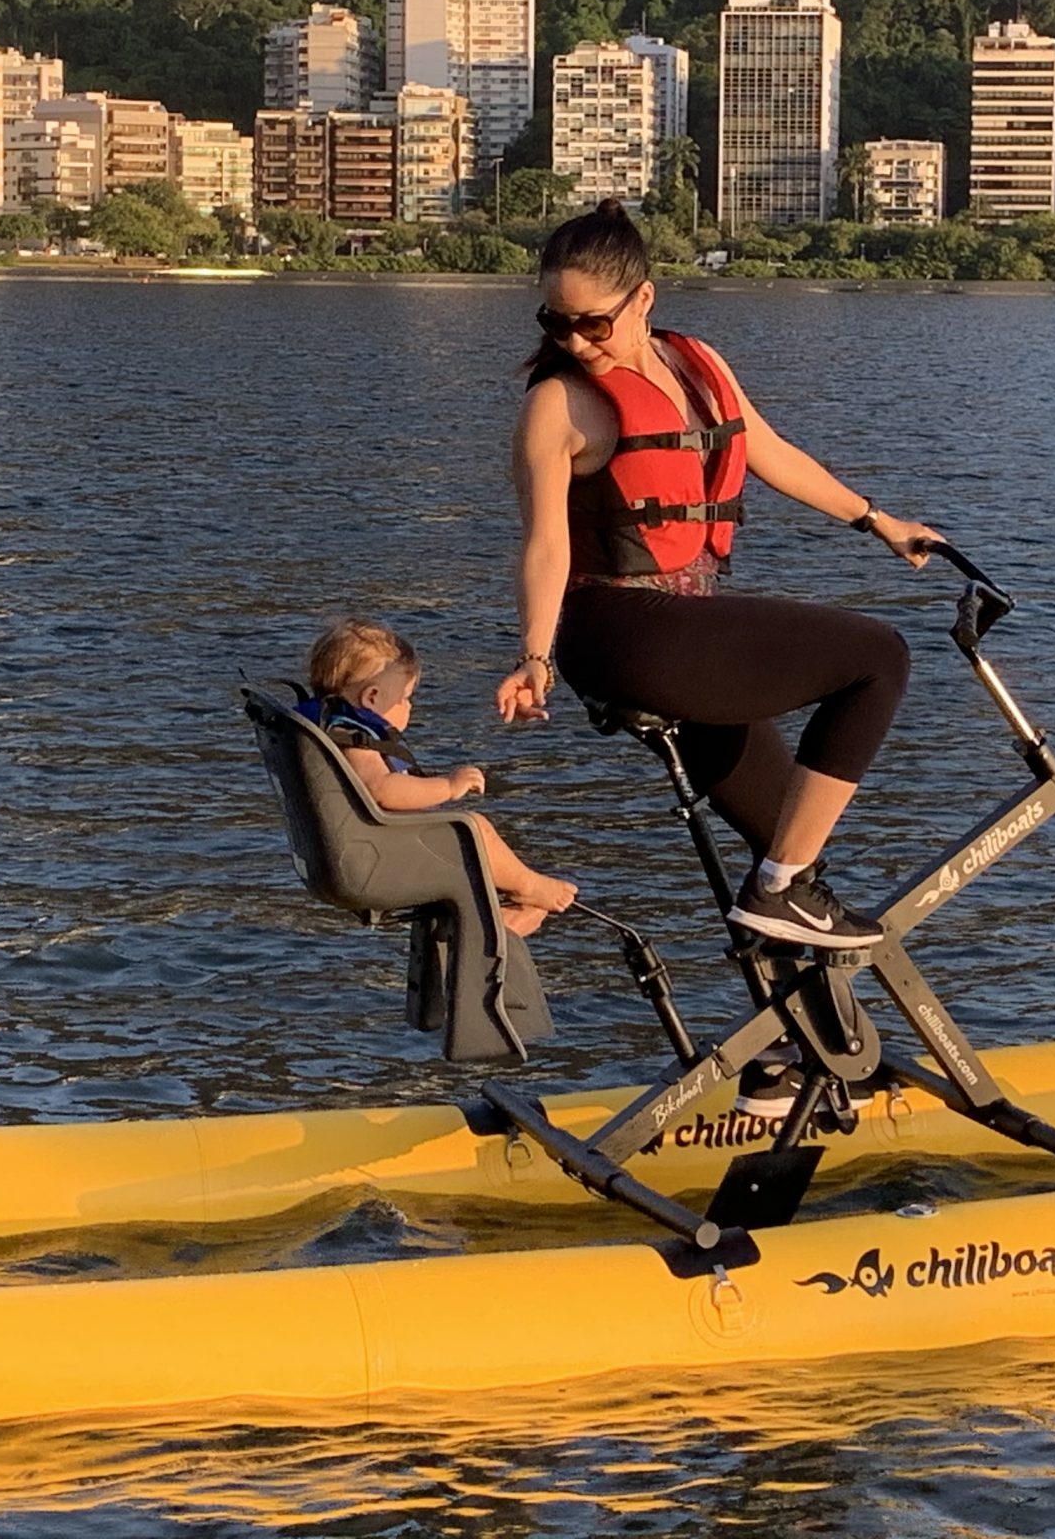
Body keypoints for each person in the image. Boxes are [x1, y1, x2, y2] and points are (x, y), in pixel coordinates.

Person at [493, 201, 939, 1107]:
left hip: (688, 630)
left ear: (642, 298)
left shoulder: (700, 366)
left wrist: (878, 520)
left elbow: (769, 452)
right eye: (555, 321)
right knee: (878, 658)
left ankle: (780, 1061)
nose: (575, 340)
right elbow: (545, 547)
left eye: (592, 321)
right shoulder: (558, 404)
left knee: (788, 841)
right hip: (622, 634)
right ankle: (782, 892)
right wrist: (533, 657)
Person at [303, 618, 577, 936]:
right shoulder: (356, 737)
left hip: (368, 845)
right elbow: (382, 789)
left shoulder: (337, 724)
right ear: (373, 697)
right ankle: (530, 887)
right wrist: (448, 785)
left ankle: (504, 914)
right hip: (377, 855)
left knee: (467, 833)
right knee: (474, 829)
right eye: (406, 697)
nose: (409, 706)